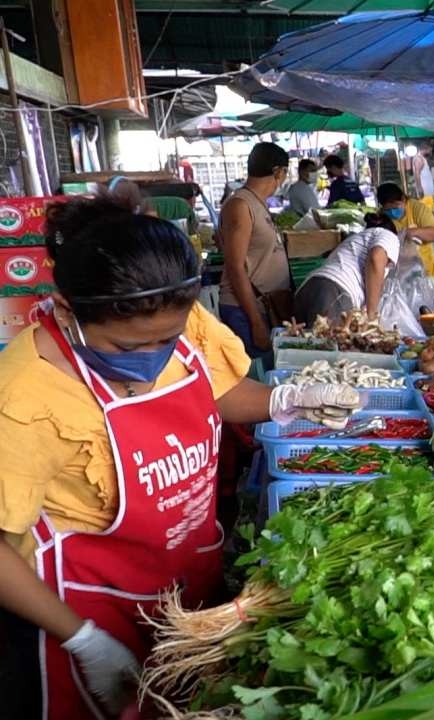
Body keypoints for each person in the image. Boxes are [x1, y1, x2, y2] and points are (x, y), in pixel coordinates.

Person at [0, 197, 360, 719]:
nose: (151, 359)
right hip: (86, 611)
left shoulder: (177, 316)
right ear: (65, 311)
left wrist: (286, 400)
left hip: (186, 588)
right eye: (127, 349)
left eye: (167, 341)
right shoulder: (23, 399)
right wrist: (83, 640)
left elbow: (219, 389)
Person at [218, 142, 292, 361]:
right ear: (278, 172)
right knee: (260, 371)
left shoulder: (257, 203)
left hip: (265, 307)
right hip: (246, 310)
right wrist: (256, 322)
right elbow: (235, 266)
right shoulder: (241, 205)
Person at [294, 212, 408, 323]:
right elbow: (376, 258)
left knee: (305, 336)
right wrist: (371, 314)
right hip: (334, 292)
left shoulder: (354, 239)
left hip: (307, 288)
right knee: (330, 336)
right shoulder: (389, 236)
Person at [377, 182, 434, 280]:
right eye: (388, 210)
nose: (392, 212)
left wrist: (413, 232)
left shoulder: (417, 208)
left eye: (395, 207)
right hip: (400, 273)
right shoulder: (382, 217)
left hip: (427, 268)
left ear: (403, 199)